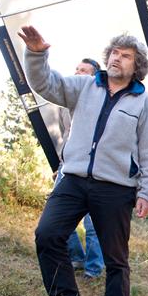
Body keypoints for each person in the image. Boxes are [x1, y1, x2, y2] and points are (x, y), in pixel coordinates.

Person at [19, 25, 148, 296]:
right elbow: (46, 84)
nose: (117, 59)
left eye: (125, 56)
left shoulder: (143, 103)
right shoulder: (85, 86)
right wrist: (36, 54)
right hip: (72, 178)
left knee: (116, 259)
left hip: (115, 188)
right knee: (47, 234)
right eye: (114, 53)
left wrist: (147, 192)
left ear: (136, 65)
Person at [53, 58, 104, 280]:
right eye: (76, 69)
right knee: (57, 218)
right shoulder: (65, 103)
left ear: (93, 77)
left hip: (95, 169)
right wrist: (59, 165)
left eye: (83, 71)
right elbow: (64, 136)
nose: (77, 72)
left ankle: (93, 268)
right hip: (67, 166)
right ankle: (76, 257)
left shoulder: (102, 102)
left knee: (93, 224)